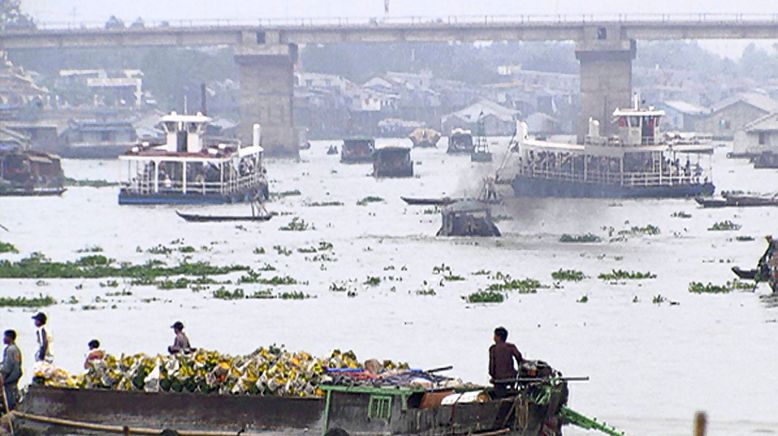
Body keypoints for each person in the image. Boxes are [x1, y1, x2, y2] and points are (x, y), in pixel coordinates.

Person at [488, 326, 523, 399]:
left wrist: (493, 377)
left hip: (499, 379)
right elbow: (520, 359)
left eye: (494, 335)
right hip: (511, 378)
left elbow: (491, 368)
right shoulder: (511, 347)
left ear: (498, 337)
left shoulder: (493, 349)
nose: (493, 337)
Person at [1, 330, 22, 411]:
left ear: (10, 338)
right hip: (15, 377)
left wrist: (3, 378)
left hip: (9, 378)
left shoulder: (10, 350)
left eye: (5, 337)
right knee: (13, 394)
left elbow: (7, 366)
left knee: (9, 398)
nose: (3, 339)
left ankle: (9, 412)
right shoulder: (16, 349)